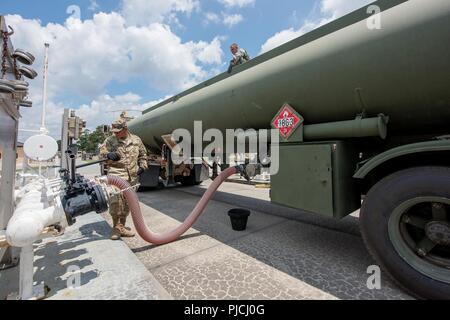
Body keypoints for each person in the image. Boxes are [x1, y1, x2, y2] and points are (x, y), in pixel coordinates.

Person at [99, 117, 148, 240]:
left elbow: (143, 155)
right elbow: (101, 153)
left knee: (127, 203)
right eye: (114, 131)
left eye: (117, 131)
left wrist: (142, 167)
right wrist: (108, 155)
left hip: (132, 176)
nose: (115, 133)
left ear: (125, 128)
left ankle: (122, 226)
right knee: (116, 202)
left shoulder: (136, 140)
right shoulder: (110, 140)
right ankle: (116, 227)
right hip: (116, 174)